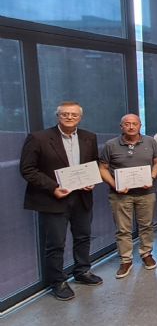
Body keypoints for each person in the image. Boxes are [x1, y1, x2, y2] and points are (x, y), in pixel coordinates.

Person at [20, 101, 102, 301]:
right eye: (65, 114)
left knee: (83, 237)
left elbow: (93, 163)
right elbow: (27, 169)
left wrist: (91, 181)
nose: (69, 118)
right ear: (58, 116)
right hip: (53, 199)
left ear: (80, 117)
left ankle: (82, 271)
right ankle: (57, 281)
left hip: (82, 198)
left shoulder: (89, 137)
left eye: (74, 115)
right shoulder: (38, 138)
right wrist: (53, 188)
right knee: (55, 243)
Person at [99, 114, 157, 279]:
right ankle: (126, 259)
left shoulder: (150, 142)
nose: (131, 127)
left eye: (134, 124)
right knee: (123, 229)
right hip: (120, 195)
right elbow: (103, 168)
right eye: (127, 124)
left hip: (146, 193)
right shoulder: (110, 145)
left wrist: (152, 177)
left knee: (146, 225)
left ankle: (146, 253)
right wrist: (115, 185)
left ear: (140, 125)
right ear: (121, 127)